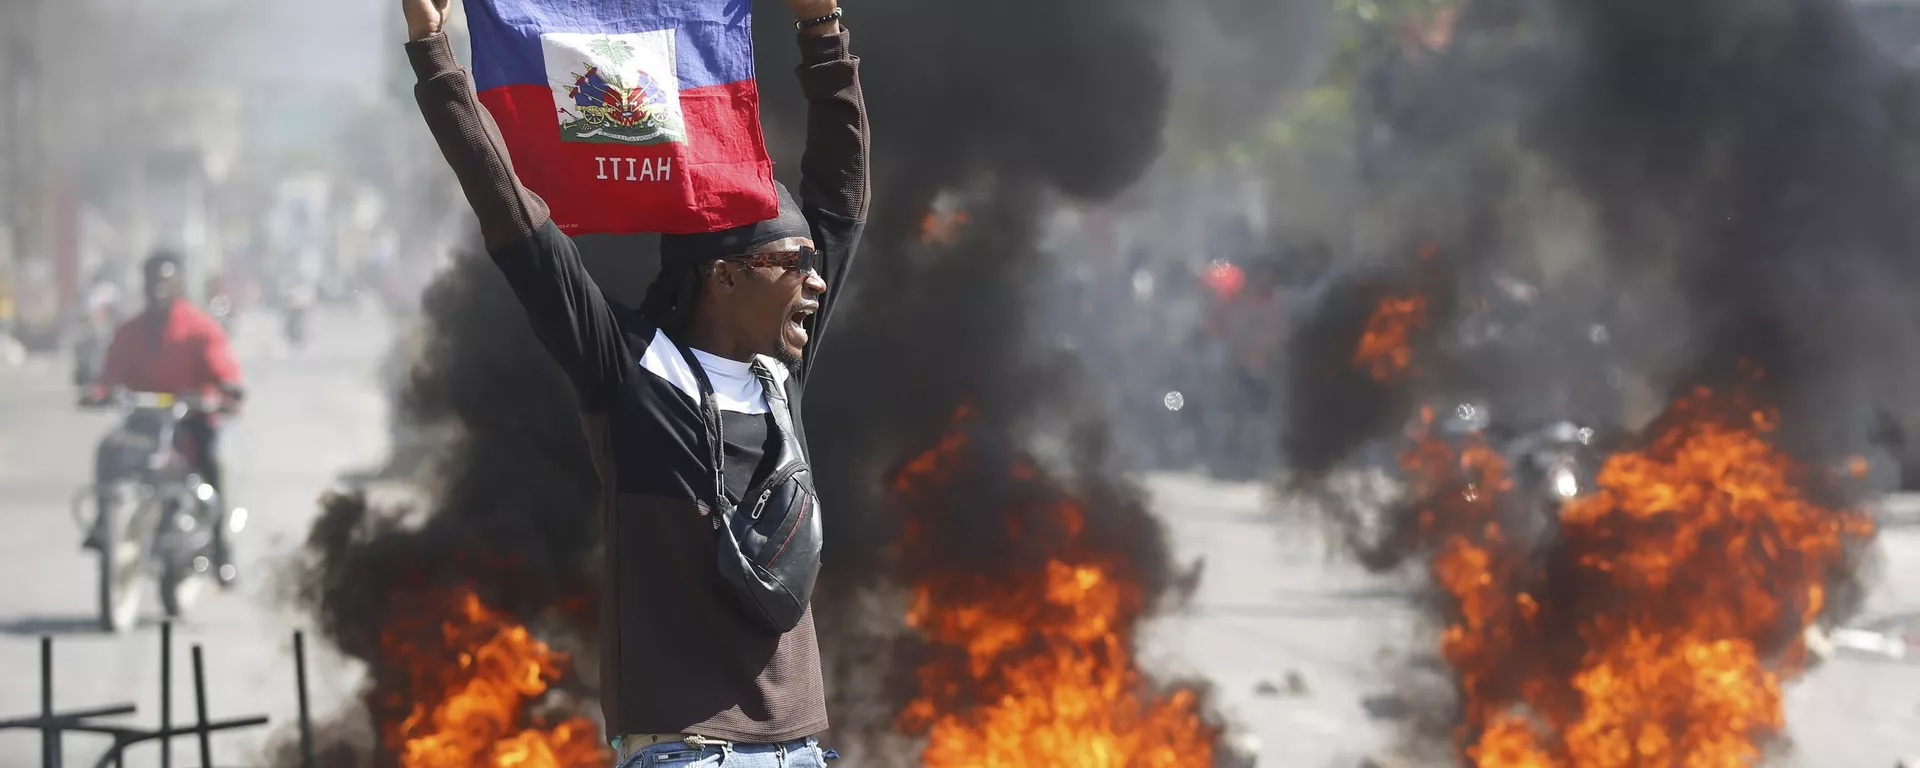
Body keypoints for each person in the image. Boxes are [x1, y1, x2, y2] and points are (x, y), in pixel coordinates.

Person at [399, 0, 868, 765]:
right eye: (793, 263)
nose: (816, 283)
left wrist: (823, 32)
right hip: (687, 753)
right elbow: (515, 219)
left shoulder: (779, 379)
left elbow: (843, 206)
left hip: (802, 752)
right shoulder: (629, 370)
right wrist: (434, 53)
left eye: (813, 266)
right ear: (723, 277)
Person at [87, 250, 246, 586]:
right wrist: (100, 392)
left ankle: (221, 551)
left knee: (212, 466)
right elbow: (110, 375)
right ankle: (104, 525)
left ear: (178, 283)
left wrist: (225, 392)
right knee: (108, 450)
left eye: (165, 279)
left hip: (191, 421)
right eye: (152, 280)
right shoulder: (130, 332)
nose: (158, 287)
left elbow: (223, 370)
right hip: (144, 422)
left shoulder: (200, 329)